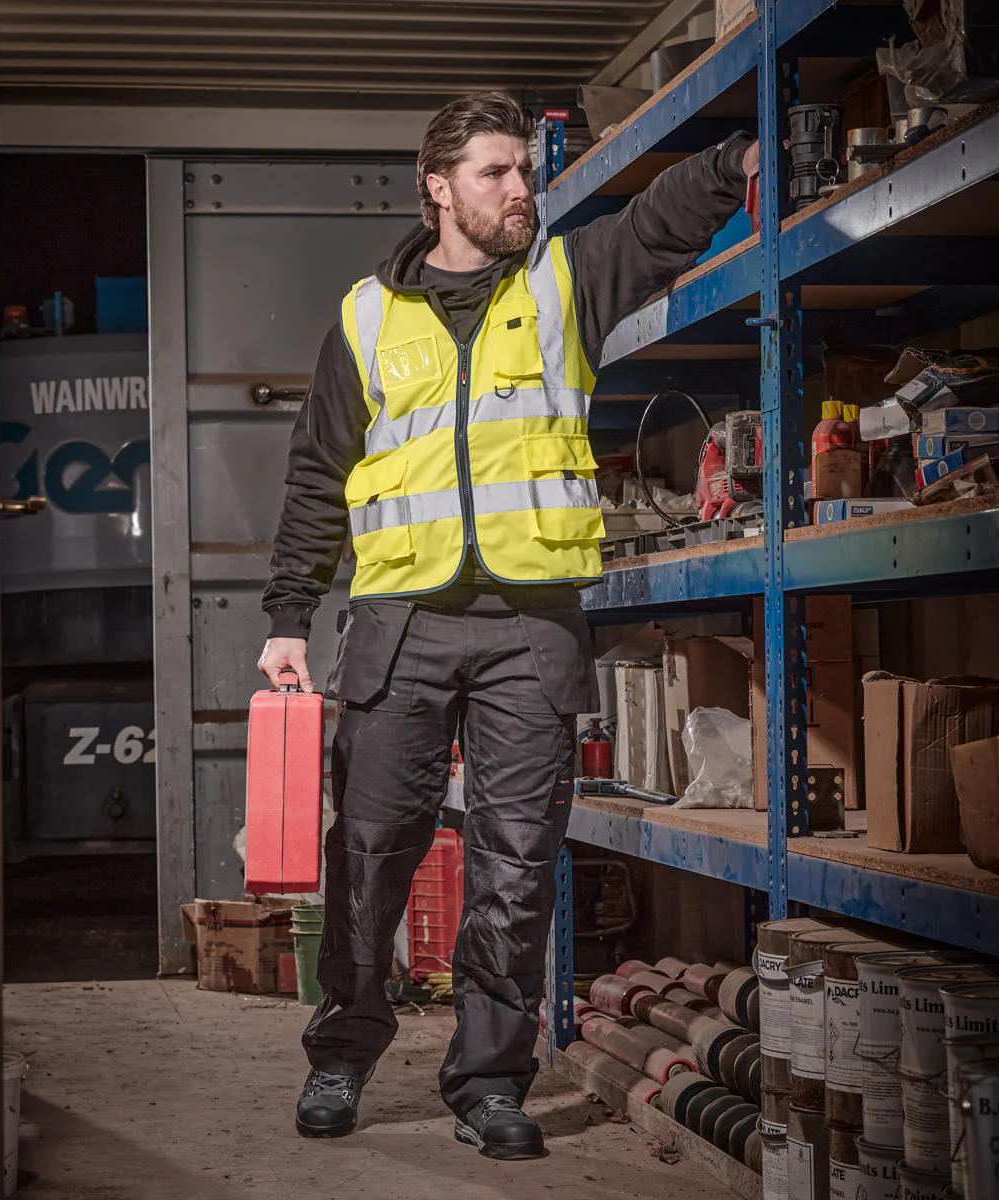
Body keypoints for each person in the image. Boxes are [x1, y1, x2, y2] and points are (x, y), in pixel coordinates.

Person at [258, 91, 758, 1160]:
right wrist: (288, 617)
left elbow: (657, 223)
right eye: (497, 173)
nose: (522, 189)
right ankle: (342, 1057)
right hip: (399, 623)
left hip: (533, 626)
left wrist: (735, 162)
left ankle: (488, 1081)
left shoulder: (563, 281)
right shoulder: (365, 317)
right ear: (439, 188)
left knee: (518, 860)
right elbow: (317, 475)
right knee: (370, 851)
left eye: (524, 171)